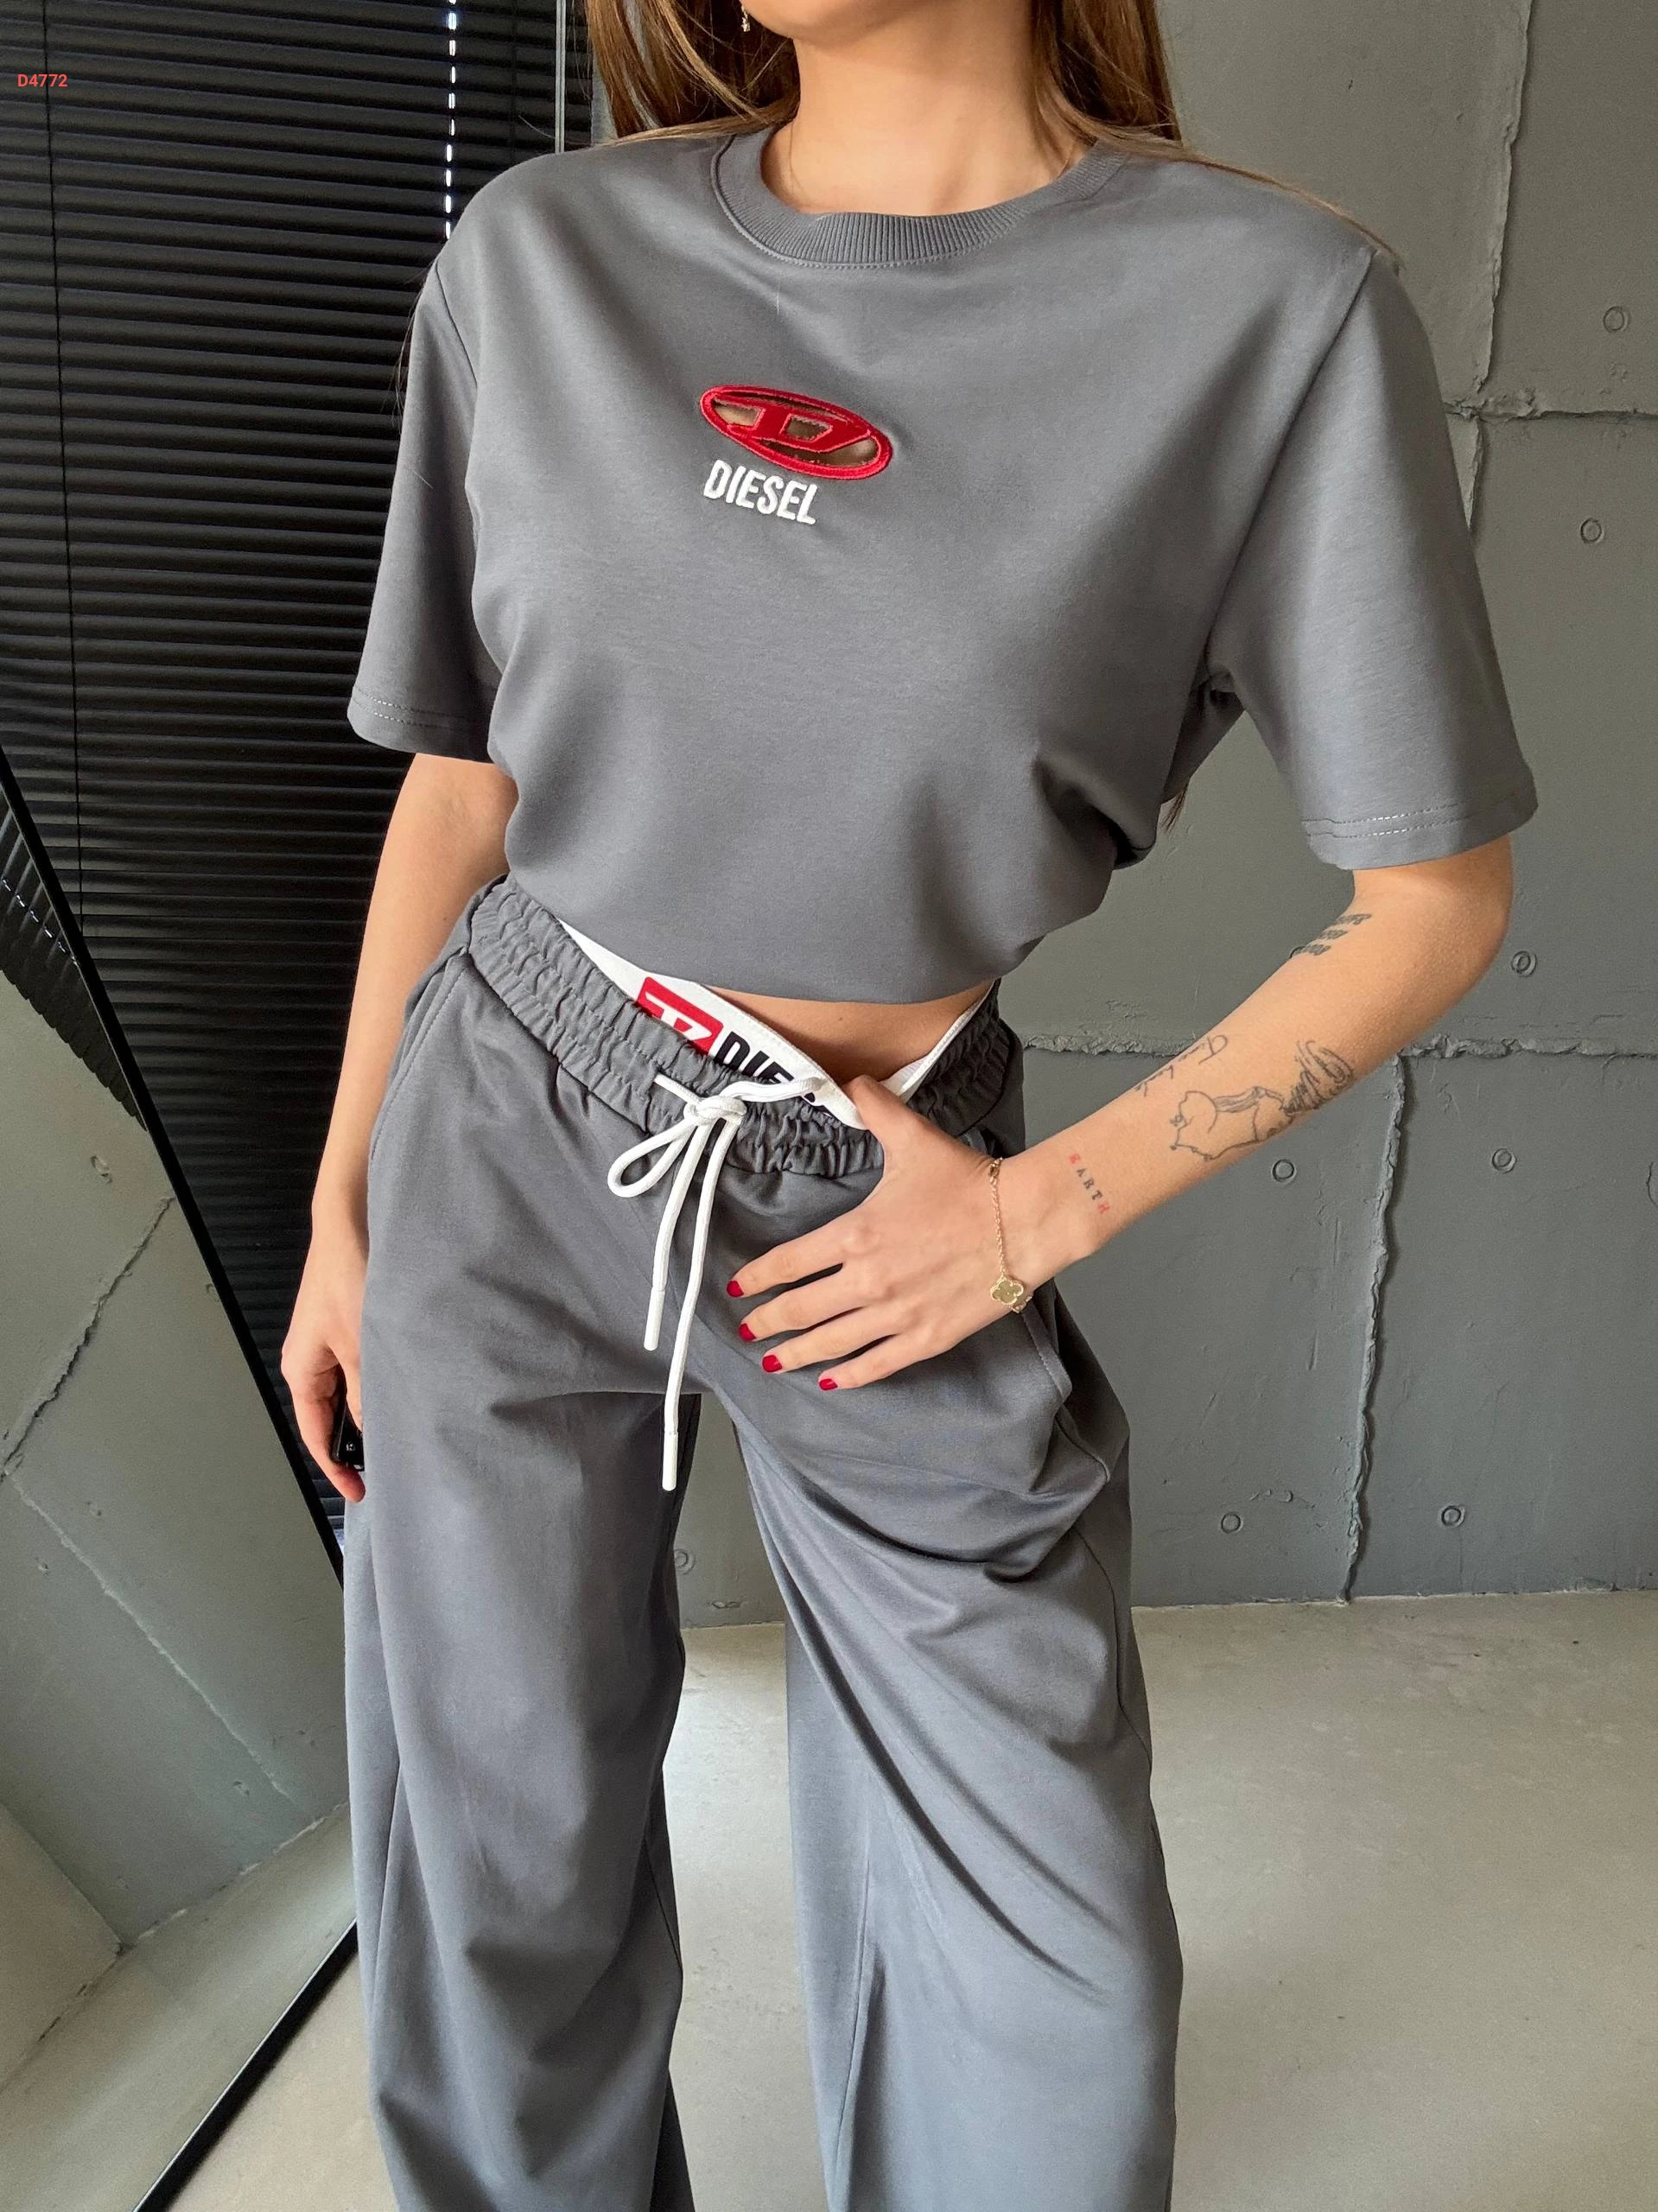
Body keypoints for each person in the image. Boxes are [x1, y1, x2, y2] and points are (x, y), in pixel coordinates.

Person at [283, 0, 1539, 2204]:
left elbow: (1431, 903)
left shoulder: (1266, 311)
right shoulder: (540, 254)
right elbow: (464, 786)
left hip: (882, 1168)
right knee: (491, 1853)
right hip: (502, 1093)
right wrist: (343, 1202)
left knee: (1037, 1942)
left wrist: (1036, 1213)